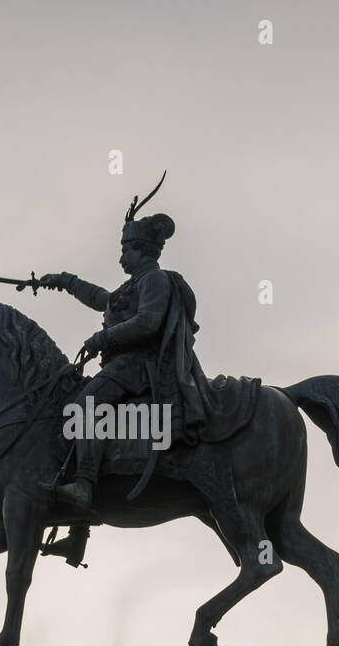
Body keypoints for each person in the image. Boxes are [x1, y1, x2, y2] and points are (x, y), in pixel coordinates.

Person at [39, 211, 213, 511]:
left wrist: (102, 339)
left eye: (125, 250)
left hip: (138, 366)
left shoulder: (155, 280)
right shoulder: (131, 286)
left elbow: (148, 322)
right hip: (121, 366)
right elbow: (100, 298)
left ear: (142, 249)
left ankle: (83, 484)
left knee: (85, 406)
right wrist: (65, 281)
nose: (121, 259)